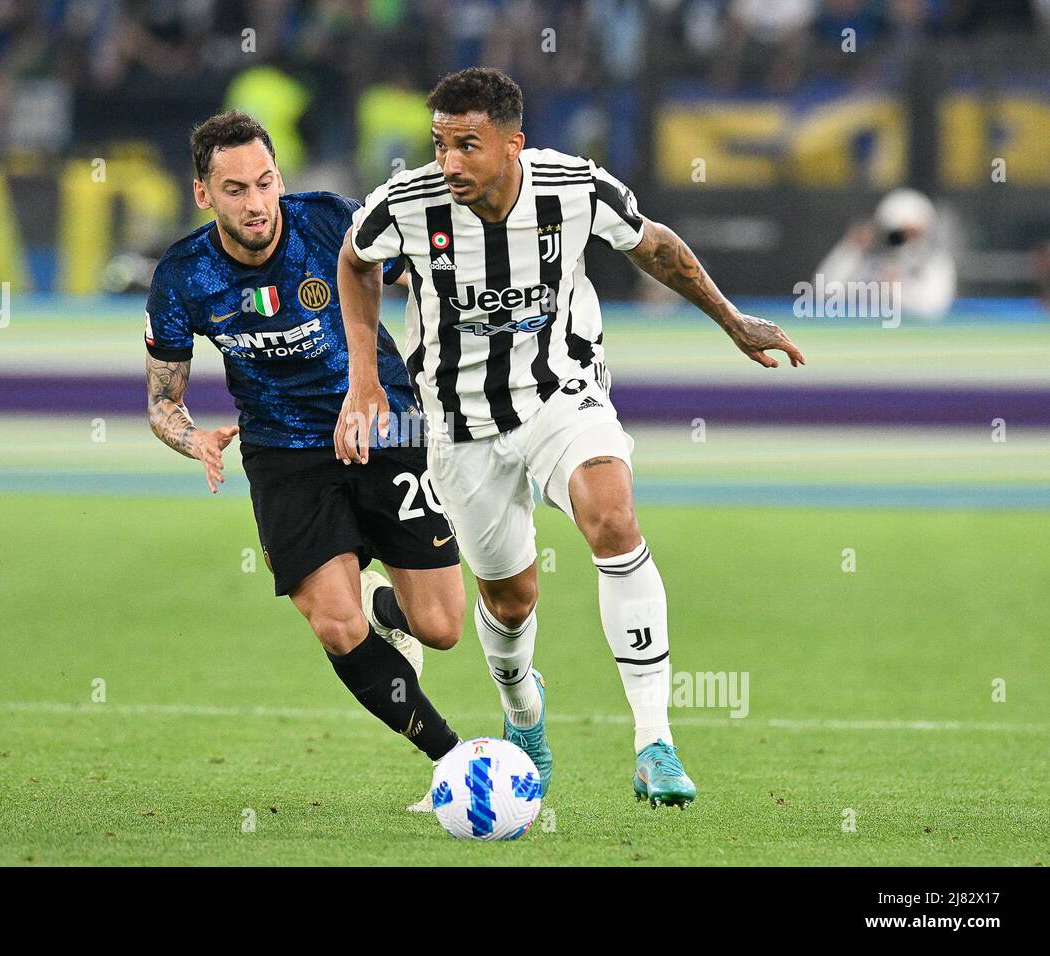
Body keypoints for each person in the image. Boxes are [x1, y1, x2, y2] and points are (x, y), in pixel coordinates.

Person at [335, 69, 805, 808]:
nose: (449, 162)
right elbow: (356, 262)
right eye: (440, 144)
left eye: (468, 144)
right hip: (459, 424)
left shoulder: (575, 189)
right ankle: (525, 716)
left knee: (613, 516)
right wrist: (364, 376)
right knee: (511, 599)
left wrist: (733, 319)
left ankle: (656, 743)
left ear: (513, 143)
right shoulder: (406, 202)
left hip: (562, 395)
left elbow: (656, 246)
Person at [144, 111, 468, 809]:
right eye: (235, 190)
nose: (255, 203)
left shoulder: (331, 221)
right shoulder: (183, 276)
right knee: (334, 623)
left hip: (384, 425)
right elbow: (161, 401)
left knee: (442, 628)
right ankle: (455, 757)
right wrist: (190, 437)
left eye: (265, 183)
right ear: (203, 193)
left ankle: (388, 603)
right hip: (284, 454)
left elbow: (418, 271)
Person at [816, 187, 956, 320]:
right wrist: (850, 250)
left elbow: (935, 308)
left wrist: (897, 288)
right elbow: (822, 293)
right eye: (897, 234)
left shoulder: (934, 262)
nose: (905, 241)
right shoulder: (867, 259)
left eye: (912, 233)